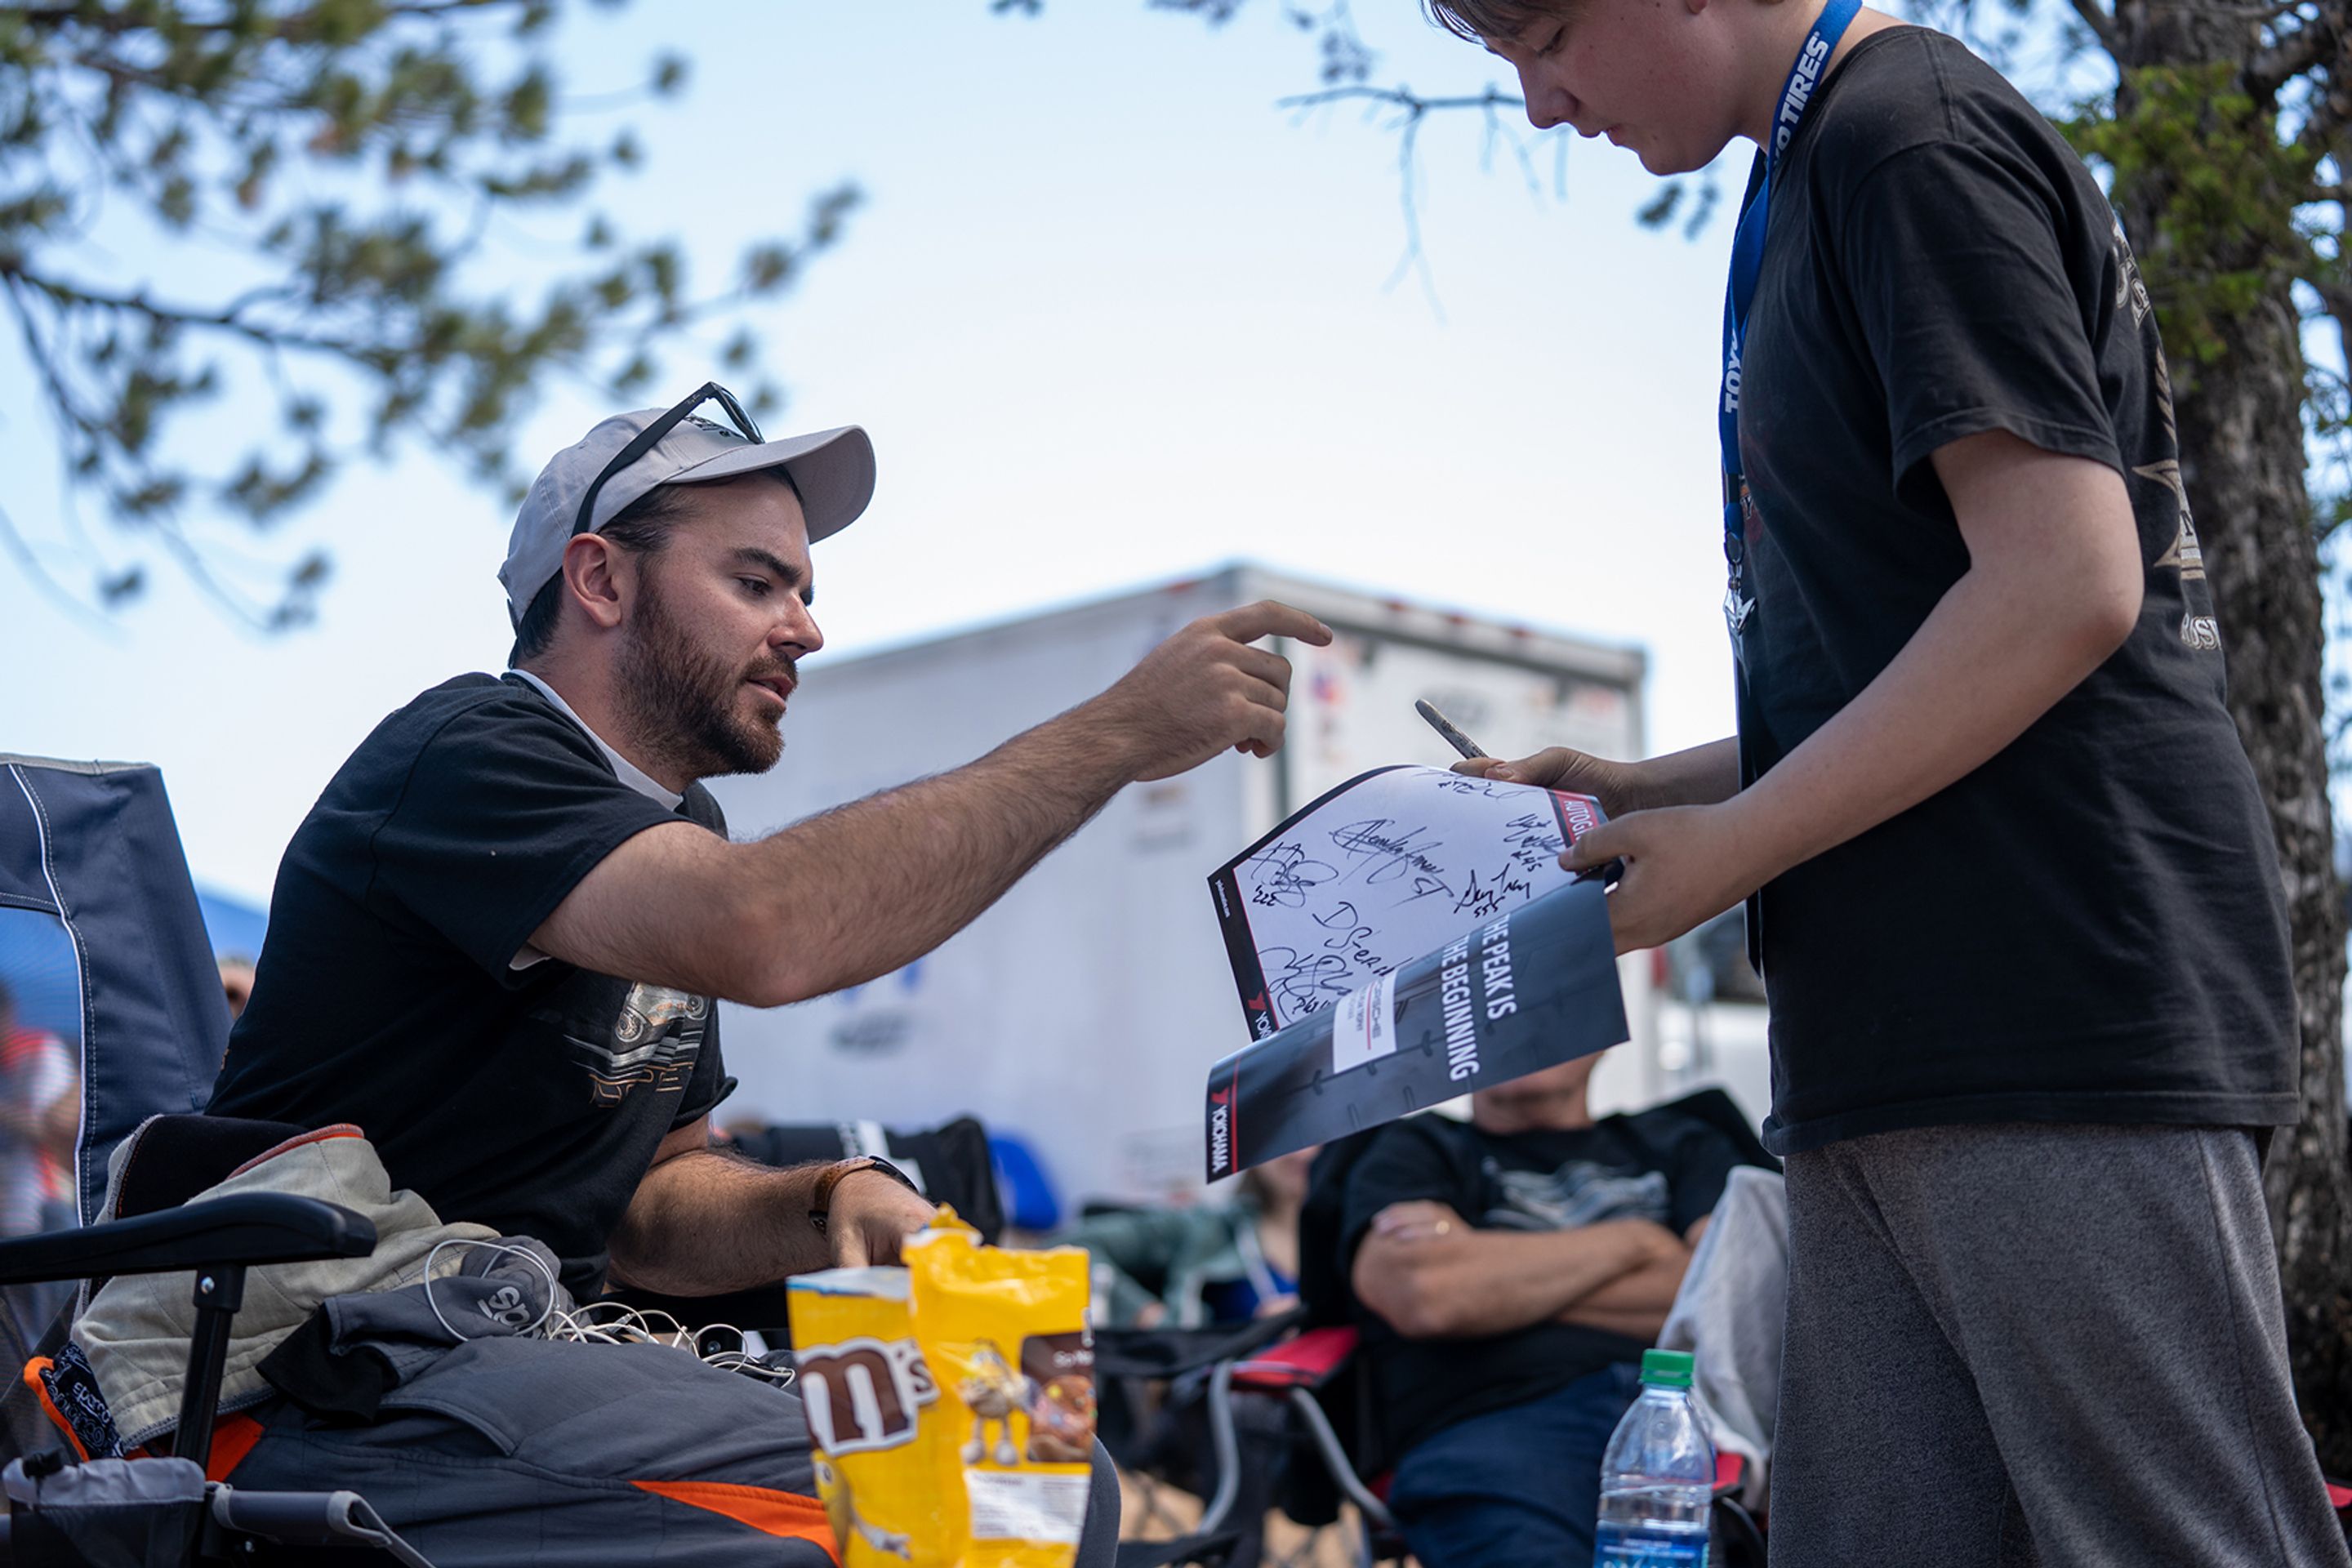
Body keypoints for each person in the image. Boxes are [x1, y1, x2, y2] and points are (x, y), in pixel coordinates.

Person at [1426, 0, 2349, 1561]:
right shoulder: (1811, 173)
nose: (1541, 102)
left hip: (2051, 1011)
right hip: (1885, 1046)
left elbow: (2064, 588)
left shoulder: (1906, 134)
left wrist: (1734, 847)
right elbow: (1906, 666)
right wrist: (1655, 793)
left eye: (1550, 34)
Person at [201, 385, 1330, 1566]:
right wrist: (1115, 735)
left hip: (500, 1354)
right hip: (314, 1373)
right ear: (600, 580)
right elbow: (766, 931)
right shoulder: (468, 752)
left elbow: (648, 1206)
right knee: (938, 1504)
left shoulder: (677, 824)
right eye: (756, 583)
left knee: (1047, 1469)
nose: (805, 630)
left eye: (805, 592)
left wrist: (835, 1196)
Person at [1332, 1053, 1742, 1564]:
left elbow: (1729, 1293)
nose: (1521, 1034)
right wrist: (1641, 1241)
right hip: (1500, 1427)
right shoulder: (1415, 1150)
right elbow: (1428, 1295)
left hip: (1696, 1422)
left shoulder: (1687, 1142)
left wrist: (1495, 1286)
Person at [0, 978, 77, 1240]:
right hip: (8, 1214)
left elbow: (58, 1127)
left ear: (8, 1014)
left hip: (47, 1204)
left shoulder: (39, 1051)